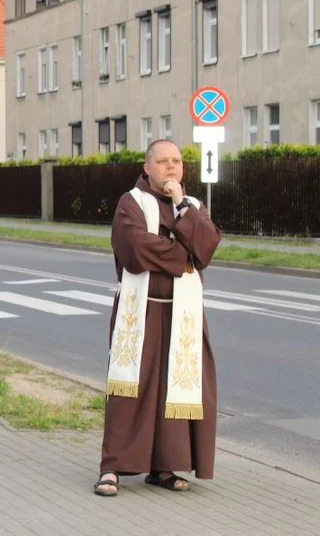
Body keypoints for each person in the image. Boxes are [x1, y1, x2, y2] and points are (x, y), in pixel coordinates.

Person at [94, 139, 221, 497]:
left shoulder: (192, 205)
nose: (171, 167)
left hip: (184, 315)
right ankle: (113, 467)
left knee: (174, 389)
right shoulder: (130, 203)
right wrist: (184, 256)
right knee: (131, 389)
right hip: (142, 311)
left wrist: (181, 206)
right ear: (147, 167)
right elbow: (135, 248)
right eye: (163, 161)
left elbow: (208, 246)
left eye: (177, 161)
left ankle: (163, 467)